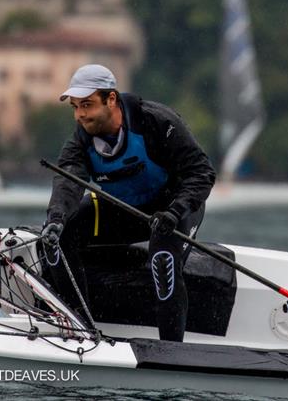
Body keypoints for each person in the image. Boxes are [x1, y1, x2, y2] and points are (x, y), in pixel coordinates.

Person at [42, 64, 216, 342]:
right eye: (75, 107)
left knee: (163, 259)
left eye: (87, 105)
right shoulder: (80, 141)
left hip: (173, 212)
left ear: (111, 99)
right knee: (58, 236)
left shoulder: (158, 122)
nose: (80, 115)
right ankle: (81, 331)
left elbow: (202, 174)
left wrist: (174, 211)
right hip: (125, 210)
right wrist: (55, 220)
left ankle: (171, 351)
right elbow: (68, 183)